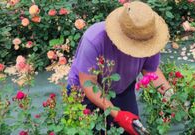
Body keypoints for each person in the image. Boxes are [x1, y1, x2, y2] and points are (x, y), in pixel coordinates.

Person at [67, 1, 172, 135]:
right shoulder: (94, 39)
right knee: (90, 130)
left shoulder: (148, 38)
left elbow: (151, 71)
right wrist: (118, 115)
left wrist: (170, 94)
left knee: (132, 129)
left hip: (122, 88)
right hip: (85, 92)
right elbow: (88, 84)